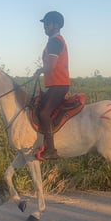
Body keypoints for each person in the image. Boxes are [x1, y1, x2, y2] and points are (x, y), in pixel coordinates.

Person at [33, 10, 70, 160]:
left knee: (44, 113)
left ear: (56, 25)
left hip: (58, 84)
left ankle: (51, 150)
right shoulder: (56, 41)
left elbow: (51, 67)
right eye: (45, 24)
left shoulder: (54, 42)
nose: (45, 27)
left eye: (47, 24)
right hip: (57, 84)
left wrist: (39, 70)